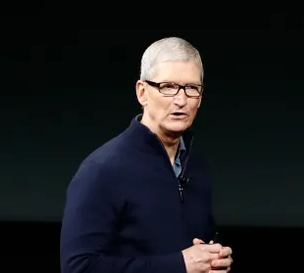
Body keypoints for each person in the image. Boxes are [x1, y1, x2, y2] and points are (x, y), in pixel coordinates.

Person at [60, 37, 234, 273]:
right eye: (168, 87)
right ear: (142, 93)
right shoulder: (102, 170)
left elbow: (196, 251)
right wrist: (180, 265)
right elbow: (78, 268)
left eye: (191, 88)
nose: (180, 100)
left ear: (200, 97)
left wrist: (214, 260)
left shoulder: (197, 166)